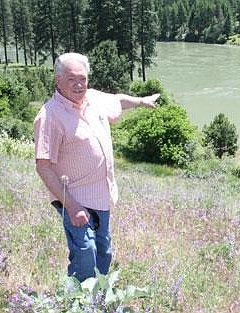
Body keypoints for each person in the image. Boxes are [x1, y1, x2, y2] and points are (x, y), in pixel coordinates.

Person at [34, 52, 159, 282]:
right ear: (57, 80)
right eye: (72, 79)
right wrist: (71, 207)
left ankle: (98, 299)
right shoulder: (49, 116)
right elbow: (43, 167)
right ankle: (76, 302)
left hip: (101, 195)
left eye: (82, 78)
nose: (79, 85)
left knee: (104, 252)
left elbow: (118, 100)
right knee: (85, 253)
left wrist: (142, 101)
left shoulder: (92, 98)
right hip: (74, 199)